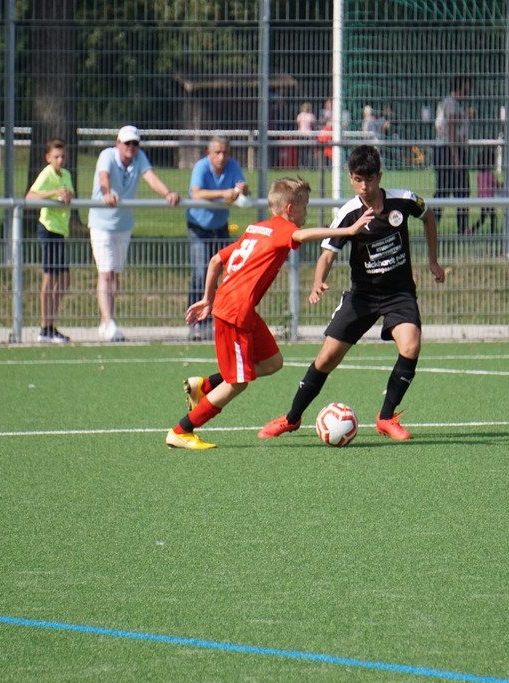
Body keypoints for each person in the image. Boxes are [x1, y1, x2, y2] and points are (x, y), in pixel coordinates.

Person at [167, 178, 374, 450]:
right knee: (237, 383)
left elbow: (217, 259)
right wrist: (347, 230)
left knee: (273, 362)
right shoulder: (281, 229)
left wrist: (208, 297)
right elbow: (301, 236)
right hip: (234, 312)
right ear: (290, 209)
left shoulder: (256, 228)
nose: (306, 212)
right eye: (304, 207)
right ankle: (182, 430)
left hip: (242, 310)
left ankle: (204, 386)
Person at [259, 144, 446, 442]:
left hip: (399, 294)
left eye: (369, 179)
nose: (364, 186)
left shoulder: (403, 200)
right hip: (362, 296)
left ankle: (386, 418)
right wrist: (318, 281)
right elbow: (328, 253)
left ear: (379, 177)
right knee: (326, 359)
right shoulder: (349, 213)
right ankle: (291, 418)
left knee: (410, 346)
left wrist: (433, 261)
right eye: (358, 180)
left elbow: (428, 217)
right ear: (350, 178)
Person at [89, 125, 180, 342]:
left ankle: (106, 321)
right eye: (127, 143)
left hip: (123, 224)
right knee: (105, 273)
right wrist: (107, 193)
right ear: (118, 143)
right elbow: (104, 177)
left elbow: (151, 177)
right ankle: (108, 321)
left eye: (135, 143)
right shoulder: (107, 156)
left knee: (115, 274)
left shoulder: (139, 158)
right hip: (102, 224)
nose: (131, 147)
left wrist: (168, 193)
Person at [186, 135, 250, 341]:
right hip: (199, 228)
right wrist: (224, 193)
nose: (222, 157)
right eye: (217, 152)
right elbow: (196, 193)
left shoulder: (233, 166)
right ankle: (196, 324)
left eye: (225, 152)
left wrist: (242, 190)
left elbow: (241, 189)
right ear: (209, 153)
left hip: (220, 228)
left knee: (222, 277)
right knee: (200, 275)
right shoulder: (201, 167)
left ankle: (215, 322)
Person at [25, 138, 74, 343]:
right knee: (50, 279)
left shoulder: (66, 175)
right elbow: (30, 197)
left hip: (61, 230)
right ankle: (45, 328)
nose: (60, 160)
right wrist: (53, 193)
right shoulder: (46, 174)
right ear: (48, 158)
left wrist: (68, 196)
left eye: (63, 156)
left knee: (64, 280)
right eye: (56, 157)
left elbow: (70, 195)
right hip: (49, 229)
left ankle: (50, 324)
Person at [434, 76, 472, 235]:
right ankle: (461, 228)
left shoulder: (448, 103)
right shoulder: (452, 104)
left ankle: (435, 226)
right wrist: (456, 157)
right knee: (458, 191)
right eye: (466, 90)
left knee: (446, 191)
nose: (468, 95)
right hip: (450, 151)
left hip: (446, 150)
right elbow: (451, 130)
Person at [470, 146, 501, 235]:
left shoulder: (479, 175)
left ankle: (473, 229)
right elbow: (497, 184)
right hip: (489, 200)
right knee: (492, 217)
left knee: (483, 218)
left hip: (481, 199)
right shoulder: (490, 175)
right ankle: (492, 232)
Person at [296, 102, 316, 168]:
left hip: (305, 134)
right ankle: (304, 165)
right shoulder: (308, 116)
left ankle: (305, 165)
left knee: (305, 151)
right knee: (304, 151)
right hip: (305, 134)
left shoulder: (302, 115)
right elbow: (313, 125)